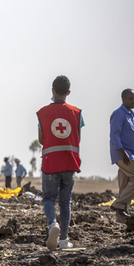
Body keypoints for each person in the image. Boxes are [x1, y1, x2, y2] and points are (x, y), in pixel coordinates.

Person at [37, 75, 84, 251]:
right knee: (66, 202)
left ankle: (52, 225)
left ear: (53, 91)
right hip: (70, 162)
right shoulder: (77, 113)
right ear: (68, 93)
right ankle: (64, 240)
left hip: (51, 163)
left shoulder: (42, 113)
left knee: (49, 198)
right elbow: (77, 138)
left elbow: (41, 139)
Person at [109, 89, 134, 218]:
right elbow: (114, 135)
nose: (133, 101)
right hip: (122, 154)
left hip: (131, 153)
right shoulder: (119, 114)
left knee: (125, 186)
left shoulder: (132, 115)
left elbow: (133, 138)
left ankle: (121, 220)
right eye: (131, 99)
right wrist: (122, 152)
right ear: (123, 99)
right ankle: (118, 204)